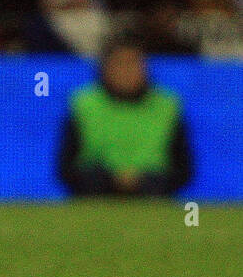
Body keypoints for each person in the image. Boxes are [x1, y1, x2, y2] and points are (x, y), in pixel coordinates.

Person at [57, 36, 192, 197]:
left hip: (153, 200)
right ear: (105, 68)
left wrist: (144, 181)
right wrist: (108, 180)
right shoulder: (83, 104)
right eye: (119, 64)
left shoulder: (167, 105)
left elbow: (184, 170)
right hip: (94, 200)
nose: (126, 71)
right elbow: (65, 168)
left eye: (133, 63)